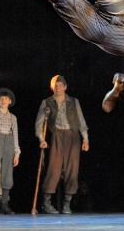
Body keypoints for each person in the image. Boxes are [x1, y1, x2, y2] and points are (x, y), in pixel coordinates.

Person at [35, 75, 89, 214]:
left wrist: (85, 139)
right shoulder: (46, 102)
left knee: (72, 169)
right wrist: (42, 139)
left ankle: (67, 204)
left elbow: (81, 121)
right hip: (57, 135)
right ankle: (46, 203)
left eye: (60, 85)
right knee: (54, 169)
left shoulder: (74, 102)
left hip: (72, 135)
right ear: (52, 87)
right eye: (55, 85)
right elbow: (39, 124)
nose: (57, 87)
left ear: (65, 87)